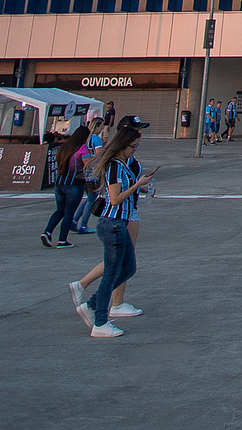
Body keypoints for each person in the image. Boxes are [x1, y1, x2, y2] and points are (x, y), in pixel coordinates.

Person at [72, 124, 156, 338]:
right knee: (112, 272)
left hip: (120, 222)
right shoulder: (115, 167)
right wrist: (138, 185)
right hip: (113, 223)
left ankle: (92, 304)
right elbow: (115, 198)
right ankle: (100, 321)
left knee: (128, 268)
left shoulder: (124, 165)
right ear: (122, 146)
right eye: (132, 147)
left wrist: (142, 186)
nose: (134, 151)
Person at [42, 123, 91, 249]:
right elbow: (88, 164)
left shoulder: (63, 147)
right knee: (69, 212)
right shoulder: (82, 148)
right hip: (75, 183)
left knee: (60, 210)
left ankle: (47, 232)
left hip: (60, 182)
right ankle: (62, 240)